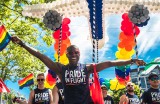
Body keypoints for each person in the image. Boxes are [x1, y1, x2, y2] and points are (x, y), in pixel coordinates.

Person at [11, 36, 146, 104]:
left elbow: (109, 63)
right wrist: (23, 44)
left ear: (79, 54)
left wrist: (131, 60)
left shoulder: (87, 68)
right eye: (71, 53)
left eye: (76, 52)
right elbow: (41, 56)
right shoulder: (61, 68)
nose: (74, 55)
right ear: (67, 55)